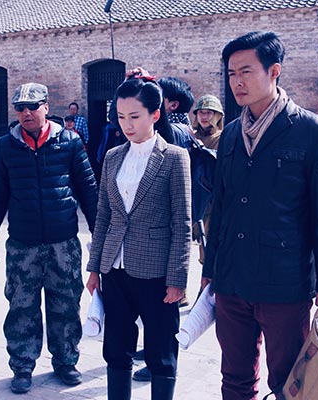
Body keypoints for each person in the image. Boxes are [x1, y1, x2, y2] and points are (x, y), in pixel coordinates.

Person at [202, 31, 318, 399]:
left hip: (283, 282)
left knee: (288, 382)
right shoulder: (230, 135)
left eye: (246, 72)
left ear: (274, 71)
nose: (237, 82)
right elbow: (221, 207)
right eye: (231, 73)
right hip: (232, 280)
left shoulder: (313, 132)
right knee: (234, 378)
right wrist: (209, 270)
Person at [0, 82, 98, 394]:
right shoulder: (6, 146)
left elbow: (88, 190)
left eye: (33, 107)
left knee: (66, 304)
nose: (26, 113)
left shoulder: (69, 142)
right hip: (23, 243)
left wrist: (99, 235)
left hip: (63, 242)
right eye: (20, 108)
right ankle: (22, 366)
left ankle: (66, 361)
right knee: (21, 306)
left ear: (46, 107)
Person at [86, 75, 191, 400]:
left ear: (155, 114)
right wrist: (94, 268)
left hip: (156, 273)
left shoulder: (174, 157)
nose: (127, 125)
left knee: (161, 351)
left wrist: (177, 279)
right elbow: (104, 216)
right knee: (116, 349)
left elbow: (182, 223)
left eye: (134, 116)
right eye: (121, 117)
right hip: (114, 270)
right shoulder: (113, 157)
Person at [191, 94, 224, 265]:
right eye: (201, 112)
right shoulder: (190, 136)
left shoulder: (223, 138)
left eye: (209, 113)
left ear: (217, 115)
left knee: (209, 253)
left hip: (212, 200)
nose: (204, 117)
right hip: (191, 198)